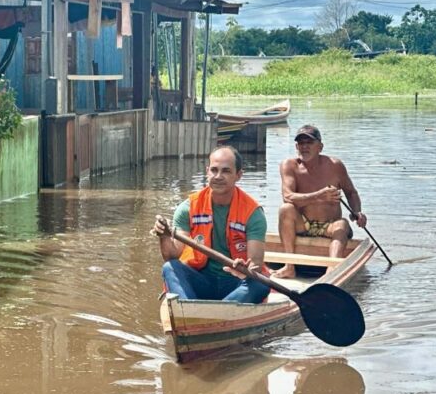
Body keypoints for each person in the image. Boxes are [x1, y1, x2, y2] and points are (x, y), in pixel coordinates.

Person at [152, 145, 270, 304]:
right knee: (170, 267)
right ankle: (190, 310)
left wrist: (245, 268)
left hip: (234, 282)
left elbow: (255, 263)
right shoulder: (187, 208)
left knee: (260, 283)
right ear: (207, 172)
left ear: (238, 175)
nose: (218, 176)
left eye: (226, 171)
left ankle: (211, 312)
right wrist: (164, 236)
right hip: (202, 279)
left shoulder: (253, 213)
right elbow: (172, 255)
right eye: (214, 170)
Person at [271, 124, 367, 279]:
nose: (305, 147)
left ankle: (332, 270)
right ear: (296, 146)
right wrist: (319, 196)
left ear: (320, 147)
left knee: (342, 225)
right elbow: (288, 196)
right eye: (301, 143)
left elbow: (351, 192)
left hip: (330, 225)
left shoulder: (335, 165)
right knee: (285, 209)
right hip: (303, 224)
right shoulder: (289, 165)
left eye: (309, 143)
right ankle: (289, 266)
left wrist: (357, 212)